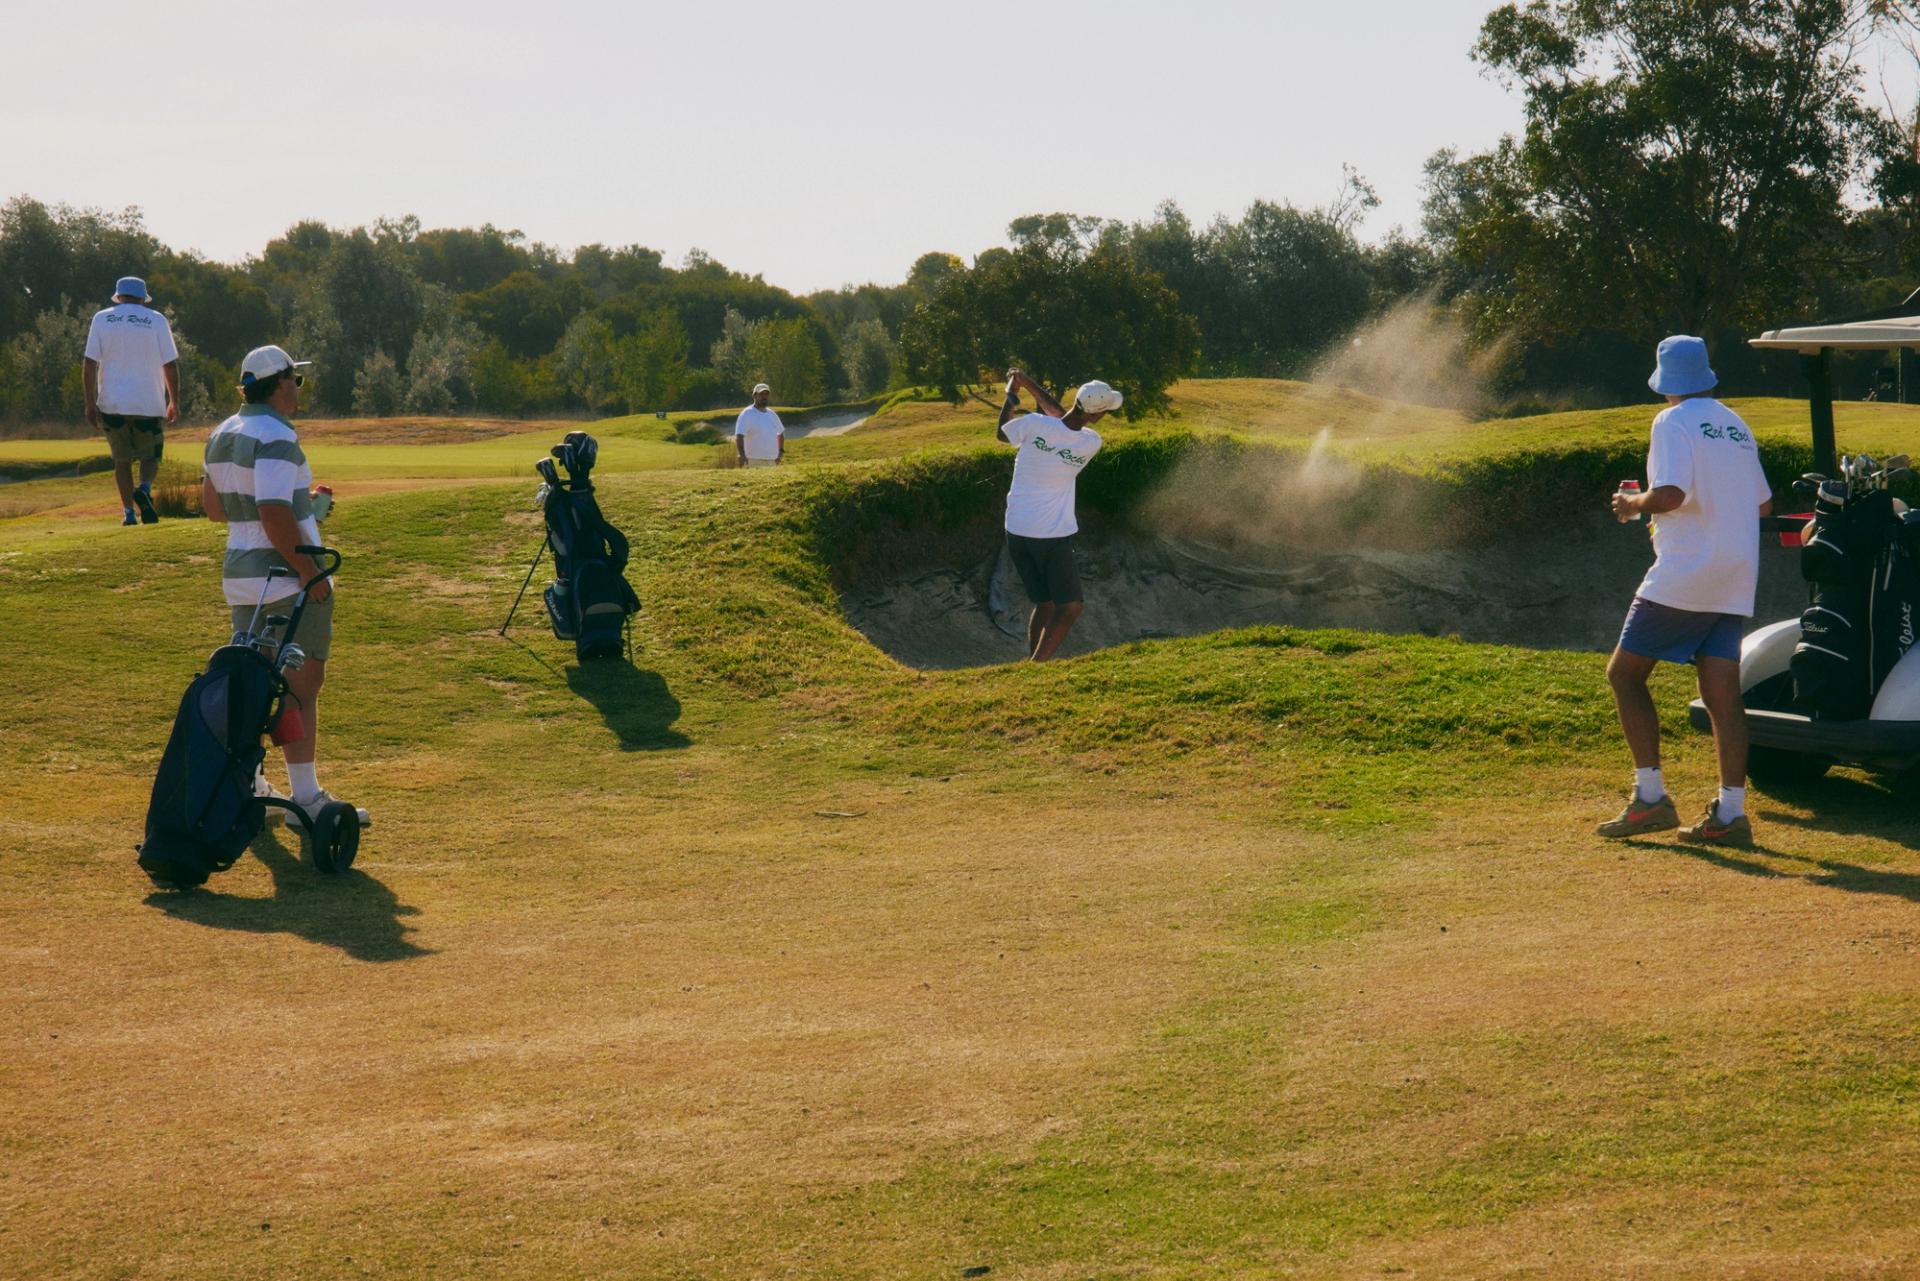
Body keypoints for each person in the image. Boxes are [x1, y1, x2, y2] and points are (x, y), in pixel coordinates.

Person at [1598, 335, 1773, 847]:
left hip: (1688, 570)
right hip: (1735, 572)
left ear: (1665, 381)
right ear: (1706, 375)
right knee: (1722, 694)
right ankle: (1732, 814)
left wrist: (1633, 503)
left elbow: (1672, 494)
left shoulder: (1671, 421)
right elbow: (1762, 505)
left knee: (1624, 675)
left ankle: (1650, 799)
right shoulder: (1736, 425)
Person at [199, 344, 344, 824]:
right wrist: (309, 572)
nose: (297, 390)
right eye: (295, 381)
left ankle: (254, 783)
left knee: (257, 682)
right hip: (285, 577)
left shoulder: (222, 433)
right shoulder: (277, 435)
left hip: (241, 577)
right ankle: (305, 798)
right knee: (302, 684)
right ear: (280, 383)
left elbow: (218, 508)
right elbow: (274, 511)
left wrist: (305, 504)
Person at [996, 369, 1122, 661]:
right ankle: (1038, 668)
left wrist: (1014, 395)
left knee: (1046, 604)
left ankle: (1032, 664)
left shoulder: (1033, 425)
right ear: (1097, 414)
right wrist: (1031, 386)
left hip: (1016, 531)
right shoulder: (1091, 442)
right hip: (1050, 536)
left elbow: (1003, 432)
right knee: (1071, 606)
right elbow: (1061, 418)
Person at [82, 276, 180, 526]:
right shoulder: (157, 320)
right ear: (142, 298)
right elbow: (169, 364)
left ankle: (128, 513)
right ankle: (144, 489)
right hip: (149, 403)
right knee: (151, 456)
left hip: (113, 403)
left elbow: (90, 362)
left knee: (121, 461)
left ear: (119, 296)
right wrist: (173, 401)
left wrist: (90, 402)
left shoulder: (102, 318)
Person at [734, 382, 784, 468]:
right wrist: (742, 455)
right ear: (754, 396)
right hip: (752, 460)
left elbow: (780, 434)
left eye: (766, 394)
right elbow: (739, 436)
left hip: (772, 461)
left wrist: (780, 453)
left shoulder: (772, 414)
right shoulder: (747, 413)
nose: (764, 396)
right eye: (761, 394)